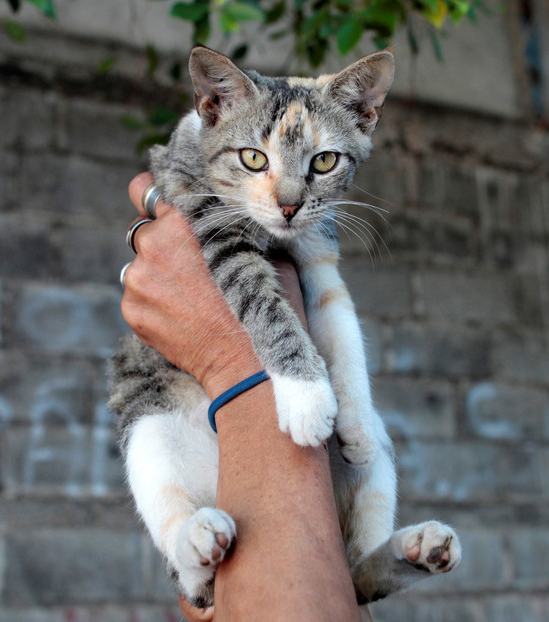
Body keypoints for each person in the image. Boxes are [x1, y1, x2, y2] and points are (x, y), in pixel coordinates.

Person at [120, 173, 366, 622]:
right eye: (257, 160)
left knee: (370, 450)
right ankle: (187, 560)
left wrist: (237, 365)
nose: (290, 196)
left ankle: (368, 566)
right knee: (147, 436)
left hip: (287, 457)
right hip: (187, 416)